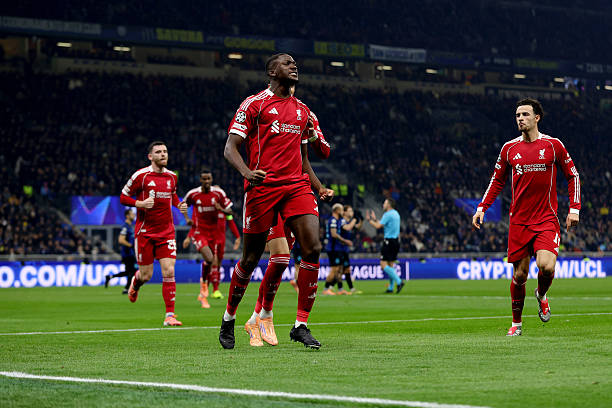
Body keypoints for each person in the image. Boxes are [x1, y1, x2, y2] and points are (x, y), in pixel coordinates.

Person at [220, 53, 333, 349]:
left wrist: (318, 186)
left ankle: (300, 325)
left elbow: (305, 158)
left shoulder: (302, 111)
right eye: (286, 63)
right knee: (250, 259)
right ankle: (229, 317)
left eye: (295, 63)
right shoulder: (254, 104)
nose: (294, 66)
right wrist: (247, 173)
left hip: (296, 186)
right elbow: (230, 148)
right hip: (263, 188)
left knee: (312, 247)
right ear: (272, 71)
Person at [472, 98, 580, 336]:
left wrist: (574, 208)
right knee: (520, 275)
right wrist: (482, 207)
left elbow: (573, 175)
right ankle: (516, 324)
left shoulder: (553, 145)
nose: (520, 118)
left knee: (546, 266)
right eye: (517, 115)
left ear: (537, 117)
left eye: (525, 114)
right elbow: (496, 180)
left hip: (546, 218)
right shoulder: (509, 149)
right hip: (519, 221)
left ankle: (541, 294)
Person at [120, 141, 188, 326]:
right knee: (146, 275)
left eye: (165, 151)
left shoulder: (172, 177)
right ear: (150, 156)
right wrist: (139, 204)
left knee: (169, 270)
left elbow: (173, 195)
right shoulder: (141, 176)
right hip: (145, 232)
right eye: (158, 152)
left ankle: (170, 315)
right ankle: (135, 283)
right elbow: (123, 197)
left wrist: (179, 204)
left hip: (166, 231)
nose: (163, 154)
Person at [183, 168, 233, 309]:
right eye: (204, 179)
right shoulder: (193, 194)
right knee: (210, 259)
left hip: (213, 234)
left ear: (211, 180)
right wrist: (187, 219)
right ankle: (205, 285)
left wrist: (220, 209)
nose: (206, 181)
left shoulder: (218, 194)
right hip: (199, 232)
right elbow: (183, 205)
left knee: (209, 261)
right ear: (200, 180)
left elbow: (230, 210)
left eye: (208, 179)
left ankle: (204, 286)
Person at [367, 198, 404, 293]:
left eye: (385, 203)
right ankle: (391, 288)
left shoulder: (387, 214)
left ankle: (399, 281)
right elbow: (385, 223)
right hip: (396, 241)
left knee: (383, 264)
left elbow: (378, 226)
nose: (383, 205)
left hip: (388, 241)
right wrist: (375, 219)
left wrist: (370, 221)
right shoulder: (396, 213)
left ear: (389, 205)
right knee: (390, 265)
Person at [322, 203, 353, 295]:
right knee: (334, 269)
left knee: (339, 269)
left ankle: (340, 289)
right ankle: (326, 289)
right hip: (333, 248)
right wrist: (345, 241)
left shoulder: (337, 220)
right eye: (342, 210)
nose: (343, 212)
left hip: (337, 248)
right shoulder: (333, 220)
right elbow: (334, 234)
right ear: (337, 211)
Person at [105, 209, 138, 294]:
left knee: (130, 271)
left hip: (130, 253)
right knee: (132, 271)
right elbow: (121, 240)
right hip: (127, 253)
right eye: (132, 214)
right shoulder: (125, 227)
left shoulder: (130, 226)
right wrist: (131, 246)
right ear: (127, 216)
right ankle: (126, 289)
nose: (134, 215)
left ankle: (111, 277)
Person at [339, 205, 362, 294]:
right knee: (339, 269)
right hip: (339, 248)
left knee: (347, 269)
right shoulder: (342, 220)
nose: (351, 212)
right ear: (344, 212)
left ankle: (351, 288)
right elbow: (348, 227)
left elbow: (357, 227)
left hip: (345, 249)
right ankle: (337, 288)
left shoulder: (349, 222)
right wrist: (355, 219)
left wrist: (361, 219)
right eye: (350, 211)